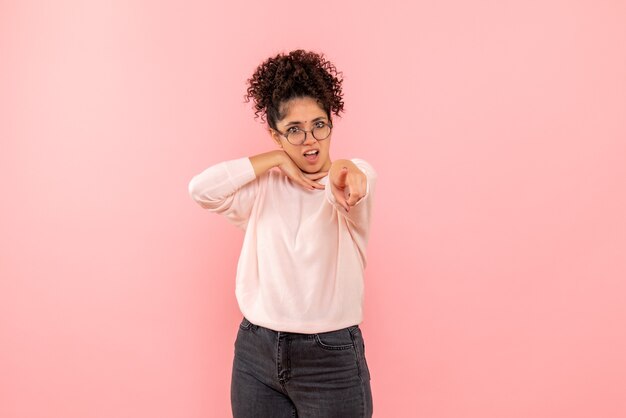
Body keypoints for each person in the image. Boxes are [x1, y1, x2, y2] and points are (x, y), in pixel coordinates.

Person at [188, 49, 376, 418]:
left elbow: (355, 178)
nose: (310, 140)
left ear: (331, 123)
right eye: (294, 130)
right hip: (256, 352)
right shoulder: (263, 189)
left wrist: (345, 170)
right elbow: (200, 189)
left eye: (319, 125)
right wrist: (274, 162)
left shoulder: (349, 183)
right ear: (276, 135)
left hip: (330, 357)